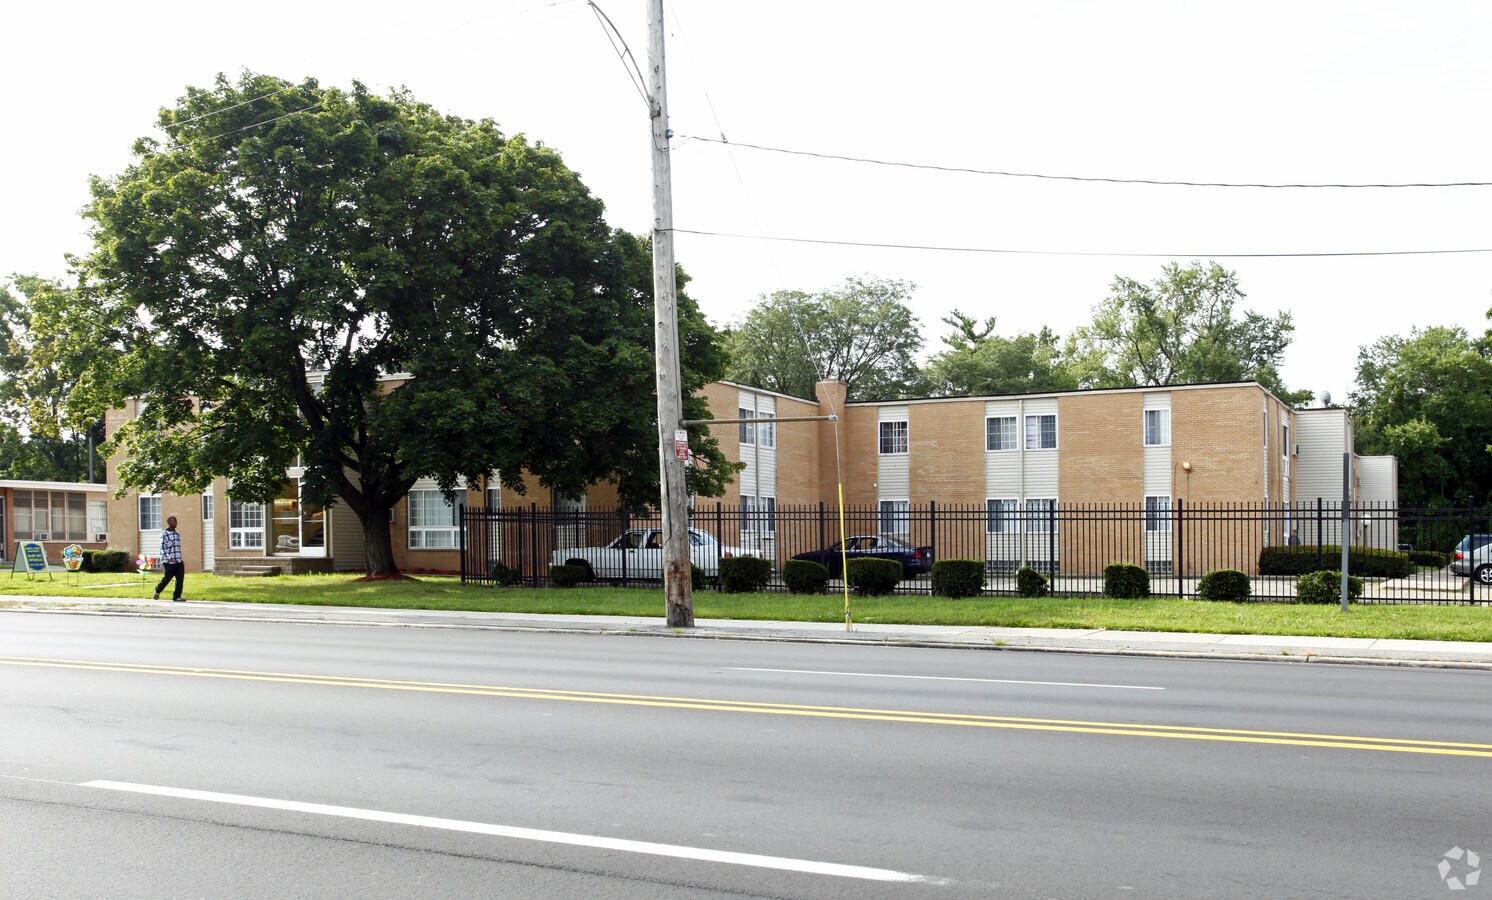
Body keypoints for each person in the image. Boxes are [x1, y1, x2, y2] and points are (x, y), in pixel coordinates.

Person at [154, 516, 185, 602]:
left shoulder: (177, 534)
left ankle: (177, 596)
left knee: (180, 579)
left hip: (178, 560)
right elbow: (162, 547)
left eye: (176, 521)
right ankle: (157, 590)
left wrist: (180, 560)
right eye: (173, 521)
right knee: (167, 578)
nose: (175, 523)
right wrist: (168, 557)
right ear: (169, 523)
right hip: (168, 561)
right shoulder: (164, 533)